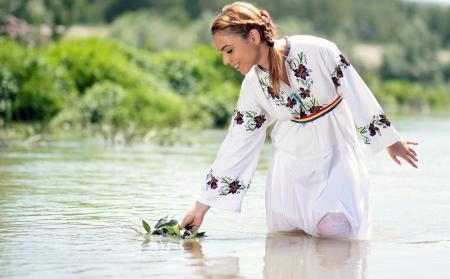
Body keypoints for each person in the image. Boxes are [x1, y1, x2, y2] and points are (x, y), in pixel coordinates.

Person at [180, 1, 418, 240]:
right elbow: (237, 143)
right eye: (222, 53)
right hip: (289, 174)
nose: (226, 61)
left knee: (338, 237)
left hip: (336, 160)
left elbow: (355, 90)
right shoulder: (254, 85)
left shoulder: (317, 50)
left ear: (253, 36)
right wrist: (200, 208)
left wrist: (390, 140)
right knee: (286, 248)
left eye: (229, 50)